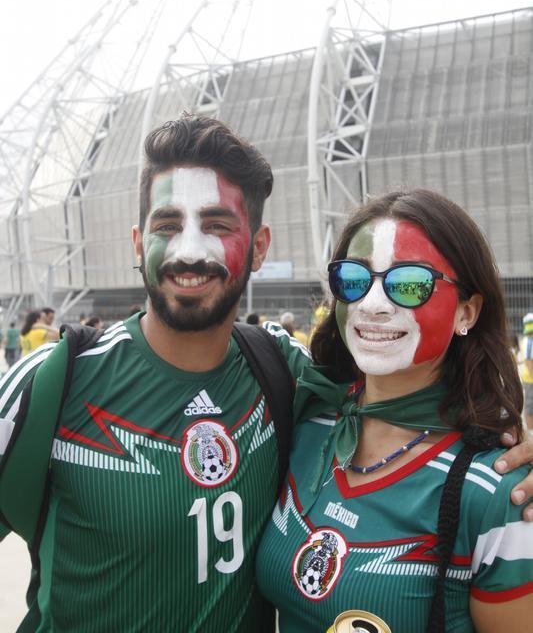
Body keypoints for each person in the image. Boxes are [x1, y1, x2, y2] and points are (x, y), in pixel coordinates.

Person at [1, 121, 532, 632]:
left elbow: (406, 402)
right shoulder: (53, 382)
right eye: (168, 226)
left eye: (217, 226)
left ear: (258, 246)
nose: (190, 252)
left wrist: (512, 440)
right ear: (138, 243)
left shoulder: (284, 372)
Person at [257, 189, 533, 632]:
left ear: (467, 310)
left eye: (409, 284)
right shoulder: (308, 420)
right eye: (353, 279)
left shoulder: (497, 492)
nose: (373, 304)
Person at [520, 312, 533, 431]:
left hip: (530, 378)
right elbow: (529, 362)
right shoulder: (529, 341)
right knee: (530, 406)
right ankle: (530, 431)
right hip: (530, 379)